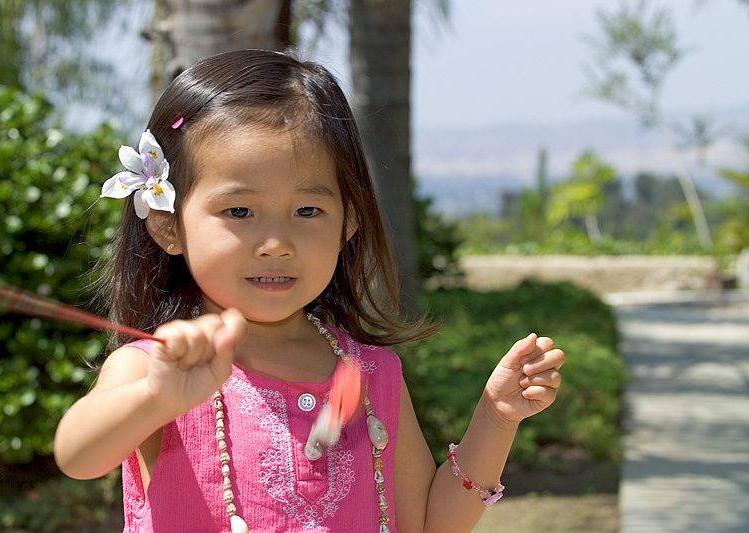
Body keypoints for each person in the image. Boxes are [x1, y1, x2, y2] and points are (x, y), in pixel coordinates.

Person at [54, 49, 565, 533]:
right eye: (239, 212)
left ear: (349, 221)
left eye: (307, 212)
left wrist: (496, 418)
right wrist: (153, 399)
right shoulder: (156, 368)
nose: (275, 244)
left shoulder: (373, 375)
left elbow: (426, 524)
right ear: (168, 226)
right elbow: (79, 456)